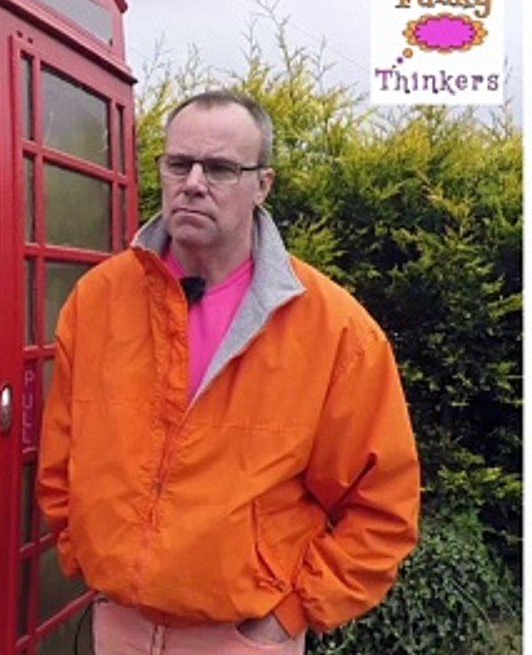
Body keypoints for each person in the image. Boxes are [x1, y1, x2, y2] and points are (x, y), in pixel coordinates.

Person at [37, 90, 420, 654]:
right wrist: (82, 550)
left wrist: (288, 615)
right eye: (178, 164)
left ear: (262, 184)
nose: (193, 182)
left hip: (242, 639)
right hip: (116, 624)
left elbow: (383, 508)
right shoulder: (98, 299)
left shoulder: (335, 330)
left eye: (219, 168)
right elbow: (61, 457)